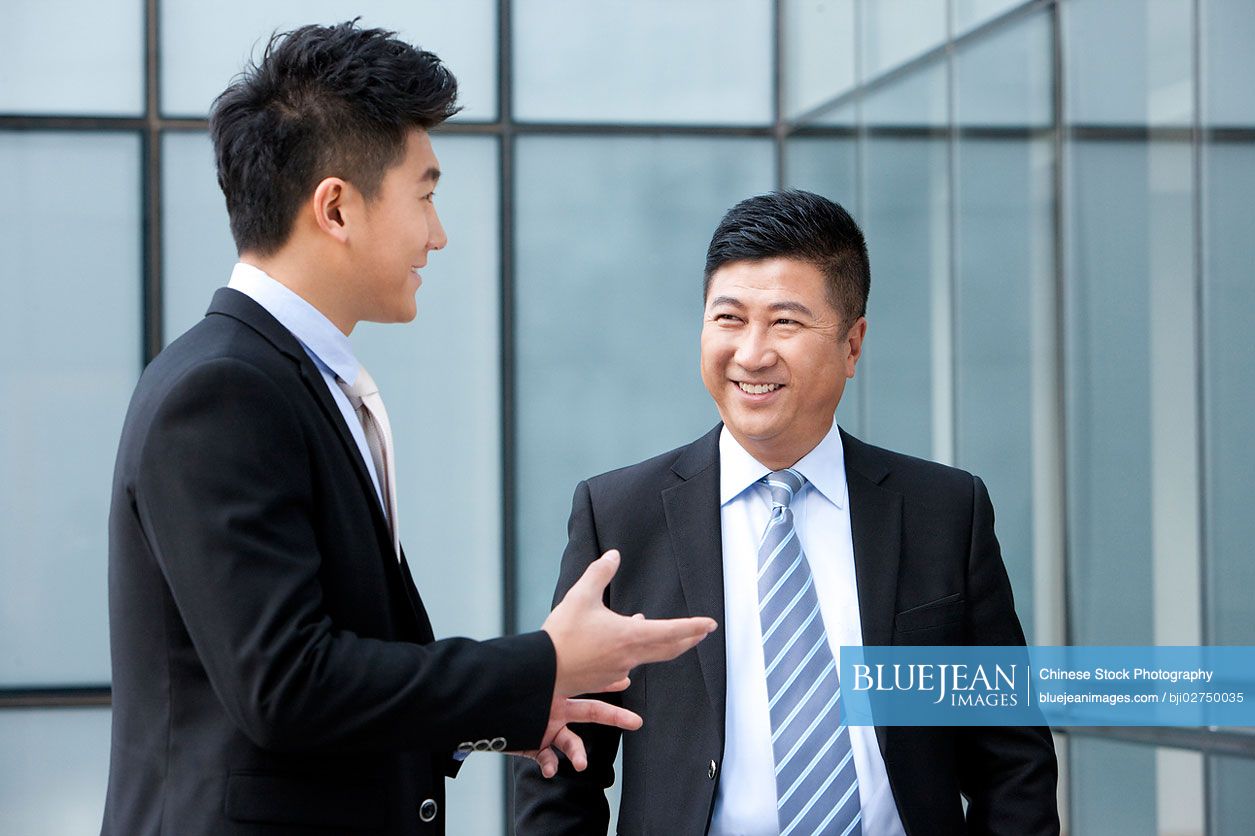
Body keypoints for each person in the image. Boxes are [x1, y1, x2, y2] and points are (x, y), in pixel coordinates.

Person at [102, 21, 715, 836]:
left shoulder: (292, 379)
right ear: (336, 208)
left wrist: (517, 706)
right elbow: (285, 685)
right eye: (424, 194)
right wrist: (543, 662)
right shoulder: (222, 392)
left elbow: (338, 670)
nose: (438, 232)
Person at [513, 190, 1059, 835]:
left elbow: (1010, 763)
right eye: (729, 318)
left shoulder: (944, 511)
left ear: (853, 345)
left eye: (786, 323)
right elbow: (562, 767)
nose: (751, 354)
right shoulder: (620, 517)